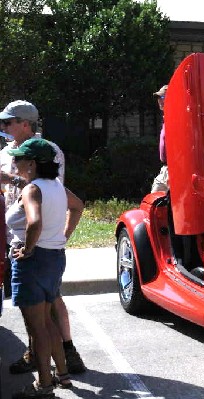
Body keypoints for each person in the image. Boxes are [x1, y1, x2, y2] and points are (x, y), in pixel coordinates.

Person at [0, 100, 86, 377]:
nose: (4, 128)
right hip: (19, 236)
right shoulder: (6, 152)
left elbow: (45, 187)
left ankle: (61, 356)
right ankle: (54, 366)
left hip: (36, 243)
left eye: (8, 123)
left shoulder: (48, 152)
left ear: (25, 124)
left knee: (43, 308)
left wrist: (57, 237)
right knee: (42, 305)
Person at [151, 85, 169, 193]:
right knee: (154, 201)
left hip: (172, 170)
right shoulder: (165, 118)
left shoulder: (174, 119)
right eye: (159, 98)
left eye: (163, 97)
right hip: (165, 169)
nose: (160, 101)